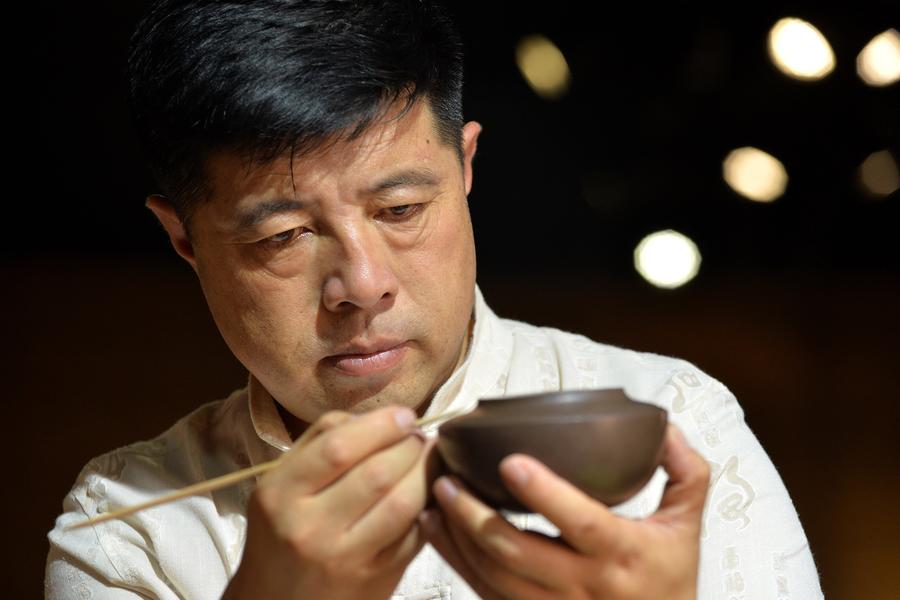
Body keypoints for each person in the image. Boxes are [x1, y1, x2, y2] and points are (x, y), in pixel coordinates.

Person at [45, 1, 823, 598]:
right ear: (184, 239)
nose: (363, 284)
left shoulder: (672, 419)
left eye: (401, 210)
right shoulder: (127, 528)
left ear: (467, 168)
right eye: (283, 236)